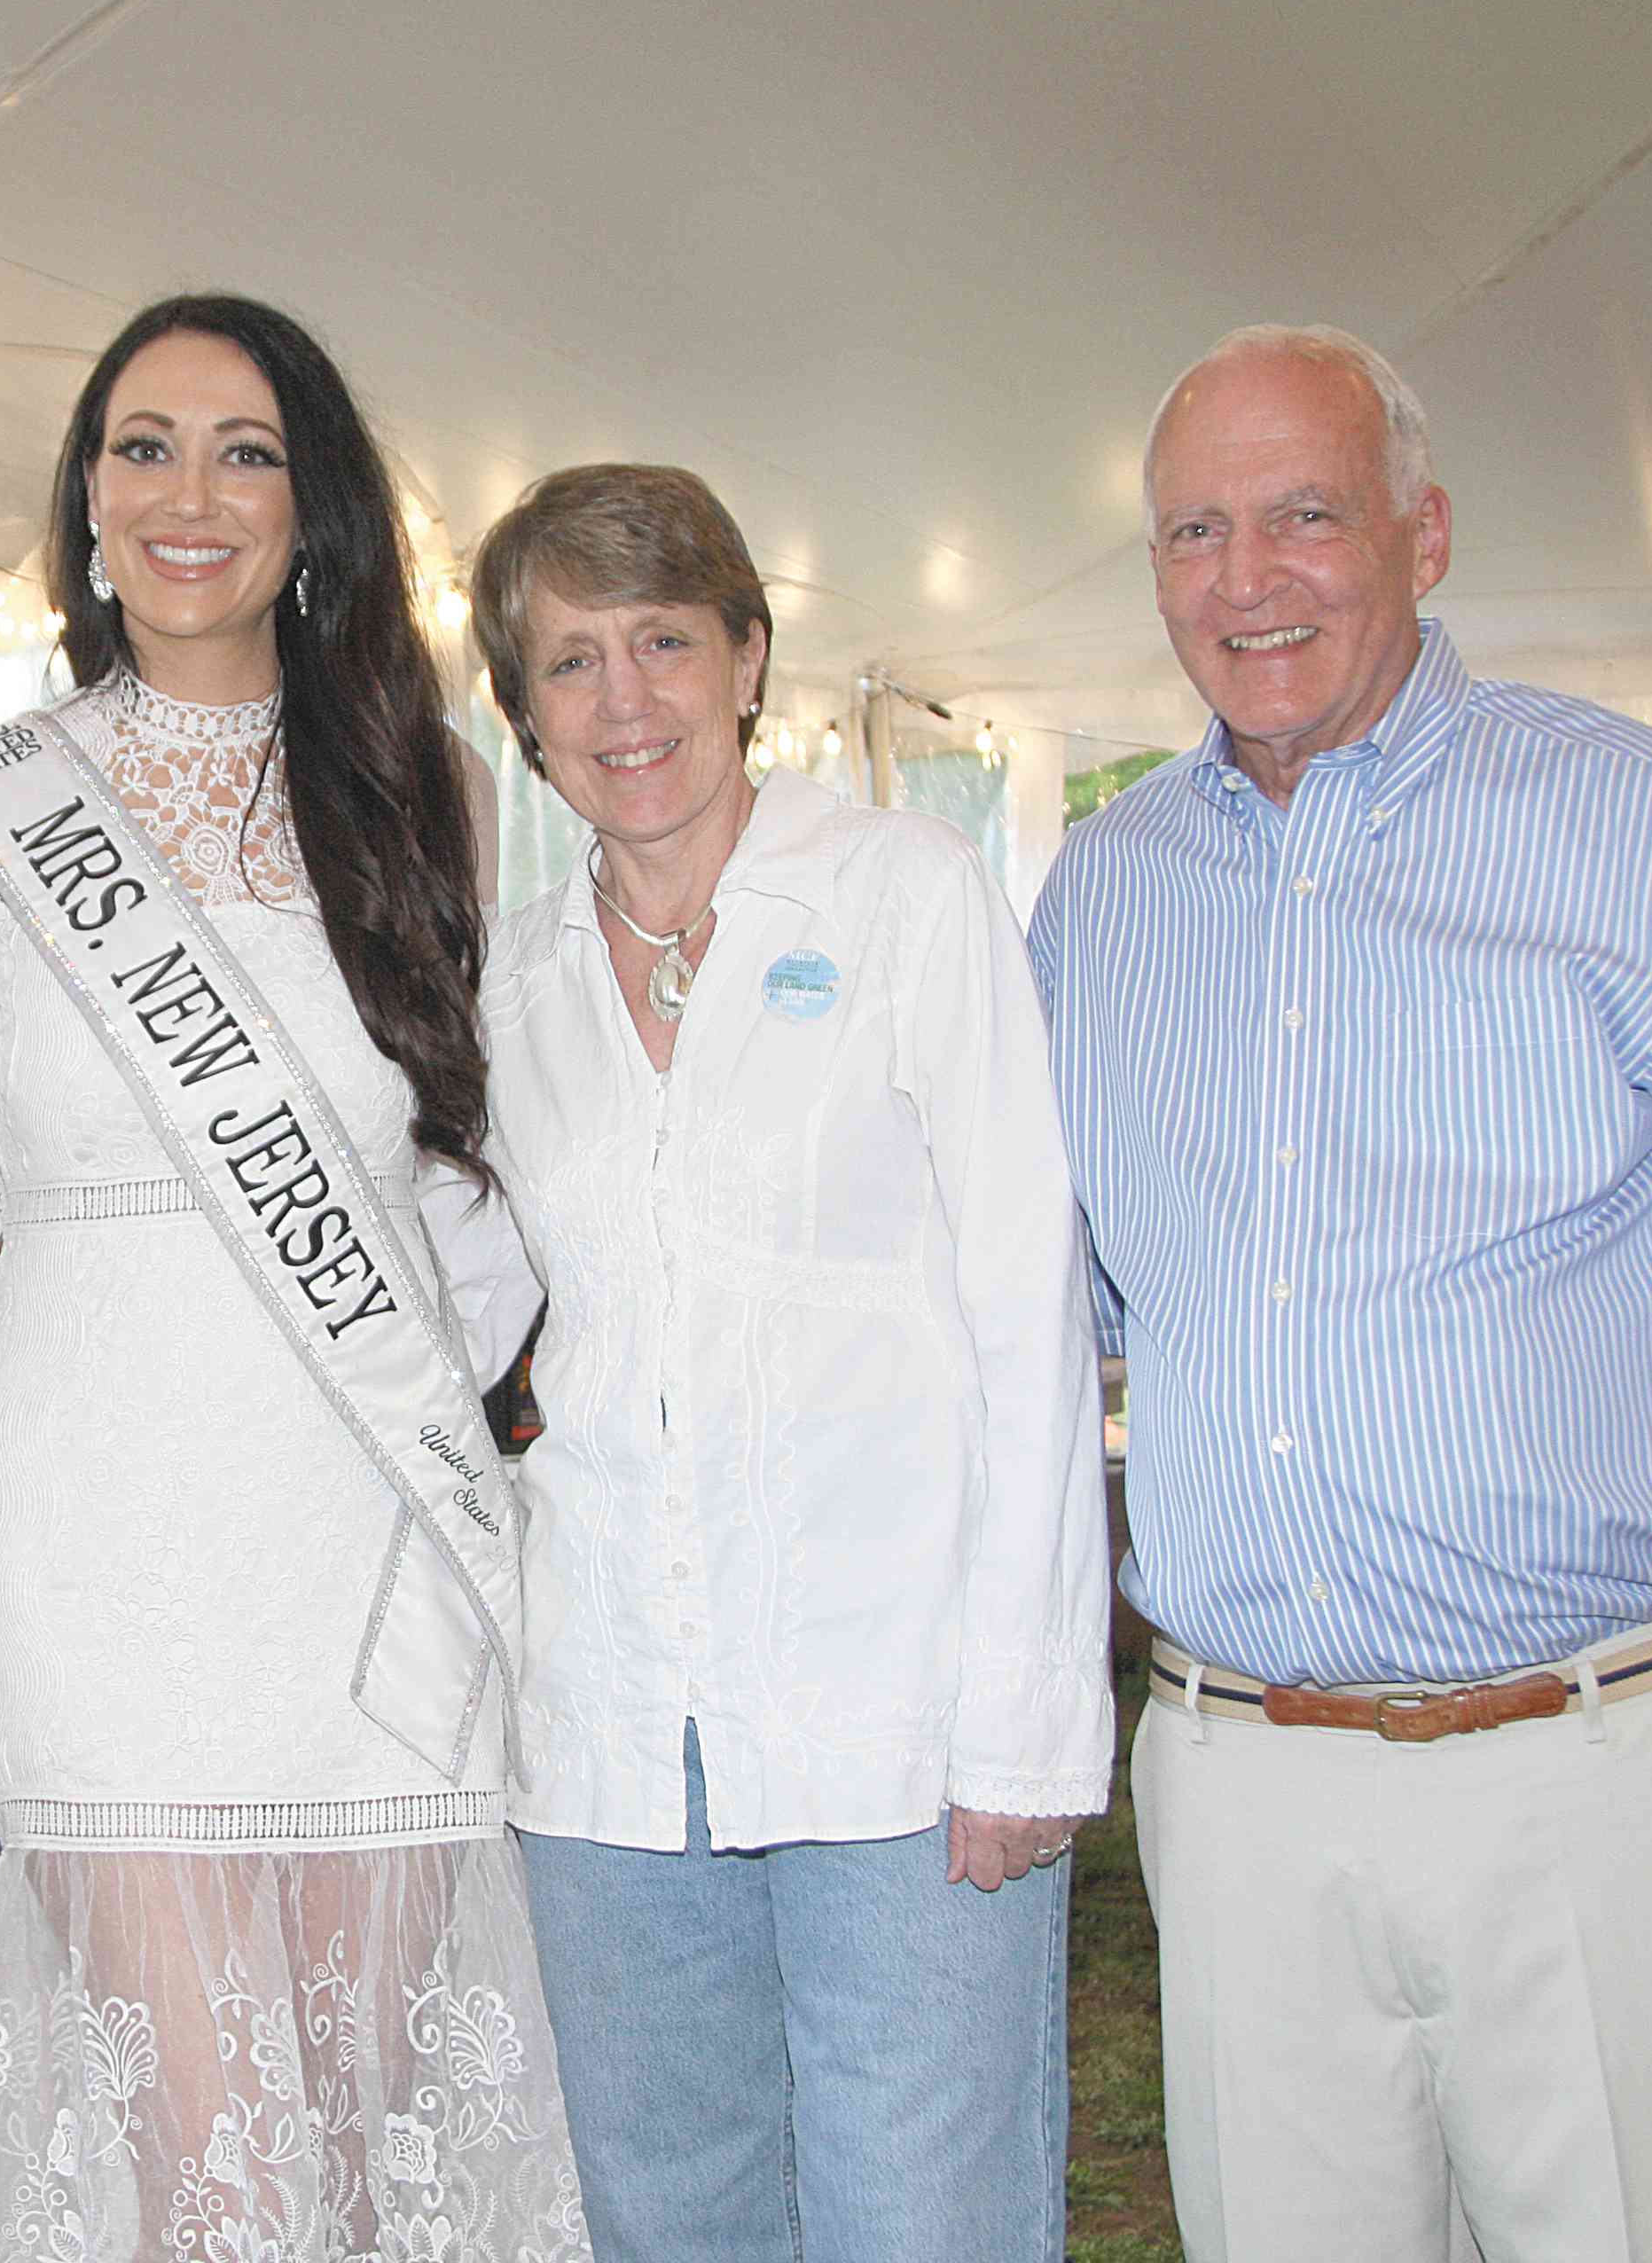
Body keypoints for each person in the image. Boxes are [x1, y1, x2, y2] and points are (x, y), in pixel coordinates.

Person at [1028, 322, 1652, 2263]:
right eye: (1194, 531)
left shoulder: (1647, 826)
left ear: (1423, 534)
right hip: (1248, 1801)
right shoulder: (1097, 901)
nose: (1246, 578)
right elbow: (1048, 1329)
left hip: (1621, 1783)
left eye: (1304, 515)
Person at [0, 293, 591, 2258]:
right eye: (146, 446)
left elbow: (474, 1195)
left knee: (350, 2166)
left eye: (245, 450)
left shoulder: (428, 789)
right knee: (221, 2186)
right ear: (87, 499)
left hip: (362, 1563)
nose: (190, 493)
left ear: (310, 507)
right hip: (102, 1577)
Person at [453, 463, 1109, 2261]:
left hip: (896, 1729)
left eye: (664, 641)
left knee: (923, 2220)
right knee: (667, 2220)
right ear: (522, 716)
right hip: (608, 1740)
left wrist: (1026, 1715)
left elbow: (1027, 1315)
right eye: (570, 661)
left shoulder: (905, 900)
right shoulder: (506, 987)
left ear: (747, 658)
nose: (625, 700)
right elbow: (458, 1316)